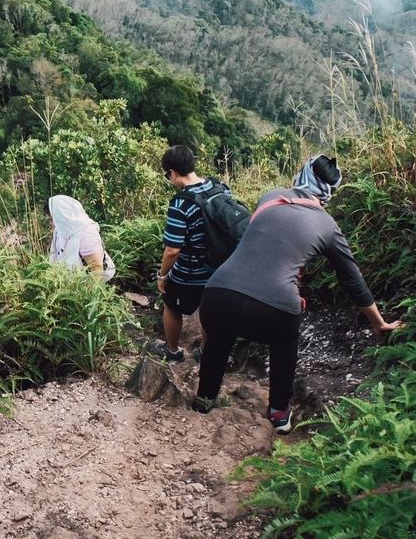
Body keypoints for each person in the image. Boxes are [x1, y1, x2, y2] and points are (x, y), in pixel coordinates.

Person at [193, 154, 402, 433]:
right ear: (331, 191)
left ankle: (205, 398)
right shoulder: (327, 226)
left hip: (218, 293)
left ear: (302, 173)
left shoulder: (270, 197)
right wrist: (379, 323)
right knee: (284, 343)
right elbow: (352, 281)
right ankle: (279, 413)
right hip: (273, 307)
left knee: (220, 336)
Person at [152, 145, 224, 361]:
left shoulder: (181, 203)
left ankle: (173, 351)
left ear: (172, 173)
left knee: (170, 304)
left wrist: (162, 275)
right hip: (220, 268)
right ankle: (206, 354)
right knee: (208, 311)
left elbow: (173, 249)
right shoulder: (219, 187)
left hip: (191, 272)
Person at [46, 195, 115, 281]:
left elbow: (97, 270)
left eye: (52, 218)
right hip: (73, 284)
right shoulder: (61, 231)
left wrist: (88, 293)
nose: (51, 223)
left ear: (62, 216)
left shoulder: (87, 234)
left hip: (92, 284)